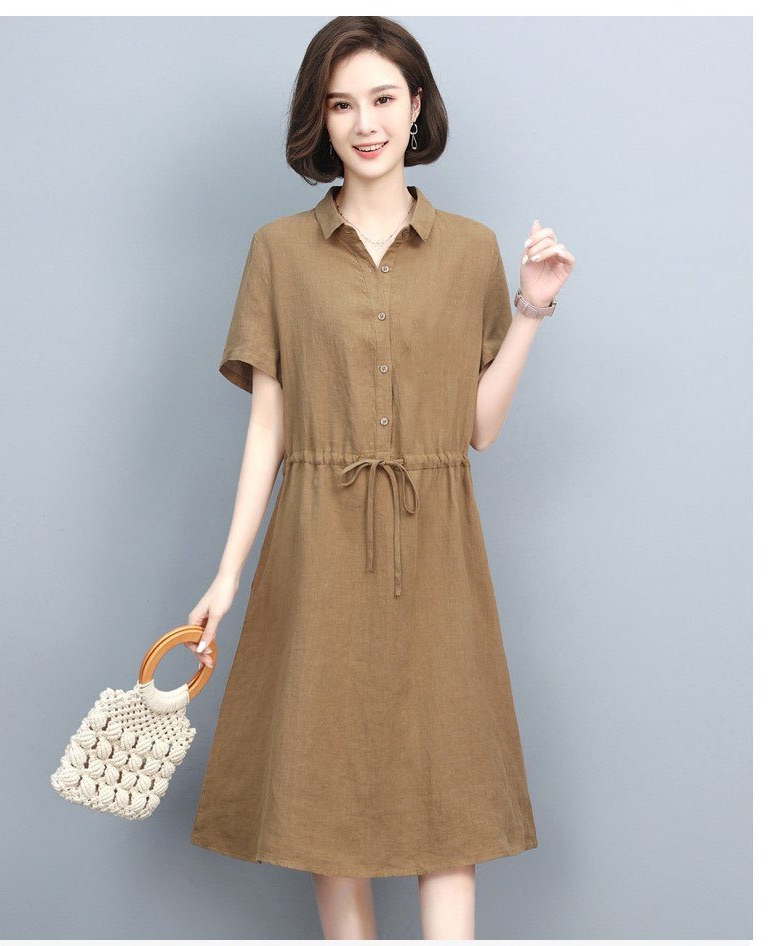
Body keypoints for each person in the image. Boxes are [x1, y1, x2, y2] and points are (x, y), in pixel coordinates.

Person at [185, 15, 575, 941]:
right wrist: (226, 577)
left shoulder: (471, 249)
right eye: (341, 104)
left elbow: (478, 429)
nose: (365, 123)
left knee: (451, 807)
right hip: (317, 545)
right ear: (319, 120)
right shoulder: (279, 250)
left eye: (384, 98)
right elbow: (269, 428)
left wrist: (531, 309)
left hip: (439, 550)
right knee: (331, 812)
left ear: (417, 105)